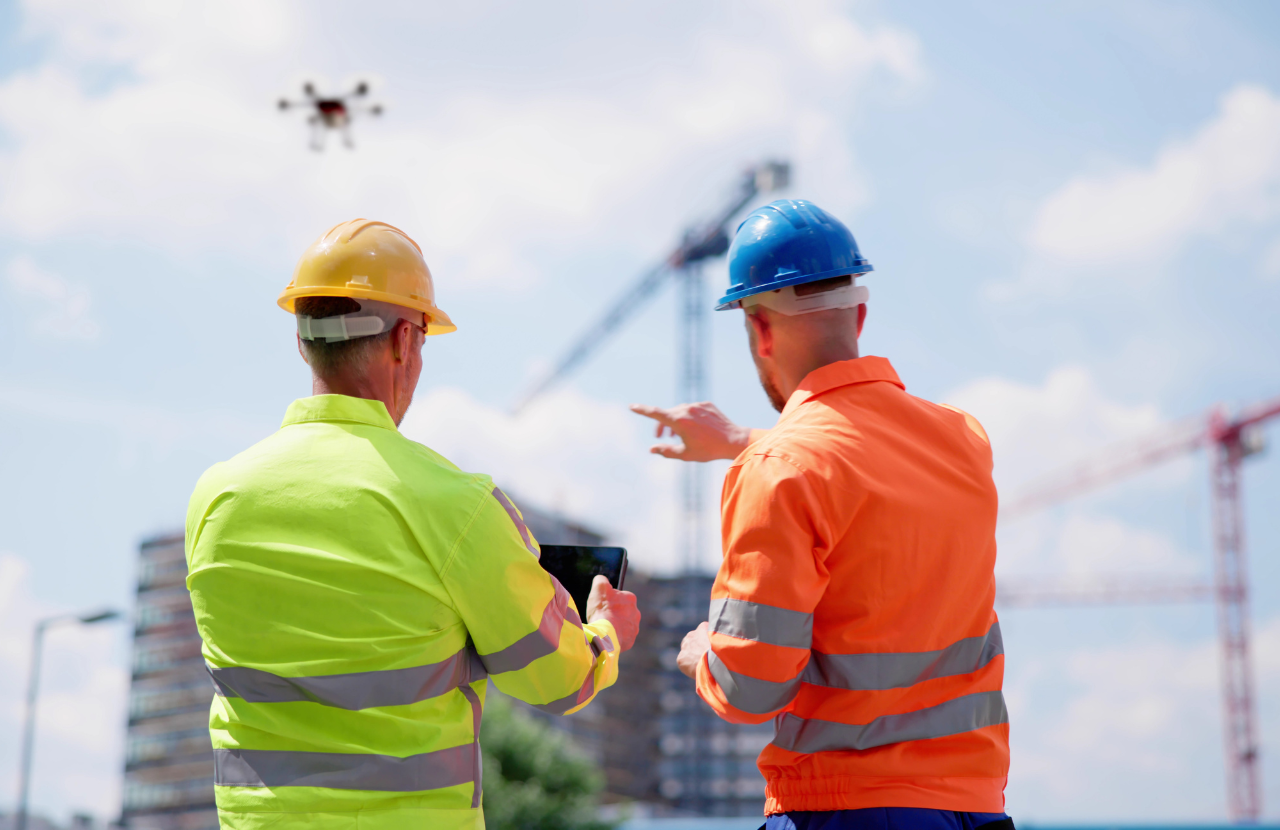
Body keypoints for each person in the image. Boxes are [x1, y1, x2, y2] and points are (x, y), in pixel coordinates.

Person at [185, 218, 640, 830]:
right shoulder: (455, 504)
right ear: (405, 339)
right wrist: (606, 636)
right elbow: (557, 681)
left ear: (301, 341)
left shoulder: (216, 498)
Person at [632, 200, 1010, 830]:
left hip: (847, 811)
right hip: (973, 811)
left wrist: (704, 657)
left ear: (759, 330)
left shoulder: (781, 470)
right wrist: (743, 441)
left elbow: (750, 688)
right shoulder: (964, 441)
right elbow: (863, 462)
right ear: (859, 312)